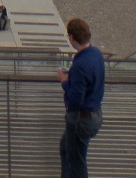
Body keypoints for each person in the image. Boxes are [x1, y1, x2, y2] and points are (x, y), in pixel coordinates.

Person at [57, 17, 105, 178]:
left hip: (80, 120)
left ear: (71, 37)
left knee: (78, 163)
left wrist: (65, 82)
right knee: (65, 148)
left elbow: (76, 100)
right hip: (95, 114)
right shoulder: (96, 54)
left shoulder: (80, 65)